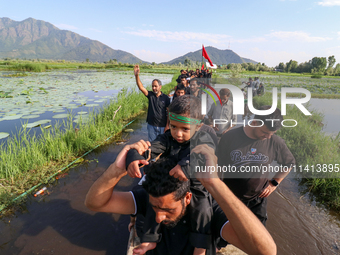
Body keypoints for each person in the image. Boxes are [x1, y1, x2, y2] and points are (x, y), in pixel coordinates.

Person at [85, 141, 277, 255]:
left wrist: (214, 184)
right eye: (155, 208)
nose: (158, 217)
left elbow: (265, 251)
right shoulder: (147, 197)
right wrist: (117, 170)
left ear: (187, 198)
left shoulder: (211, 213)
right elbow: (94, 203)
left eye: (168, 210)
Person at [125, 95, 217, 255]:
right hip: (173, 186)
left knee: (203, 210)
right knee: (153, 200)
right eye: (174, 127)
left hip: (195, 187)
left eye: (185, 129)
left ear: (199, 125)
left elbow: (201, 156)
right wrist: (136, 157)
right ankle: (149, 240)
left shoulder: (204, 138)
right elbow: (151, 148)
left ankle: (200, 249)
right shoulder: (167, 138)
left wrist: (185, 167)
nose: (178, 133)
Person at [216, 106, 296, 225]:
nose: (267, 137)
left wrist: (274, 183)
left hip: (257, 200)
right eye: (264, 132)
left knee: (257, 237)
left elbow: (289, 163)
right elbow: (218, 165)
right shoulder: (230, 137)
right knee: (224, 230)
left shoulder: (275, 142)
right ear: (254, 123)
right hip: (230, 196)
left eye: (271, 133)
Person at [134, 64, 170, 142]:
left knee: (162, 143)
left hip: (162, 126)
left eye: (155, 86)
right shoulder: (150, 95)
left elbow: (169, 112)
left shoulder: (166, 98)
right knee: (152, 144)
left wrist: (167, 125)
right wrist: (137, 76)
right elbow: (141, 87)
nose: (153, 88)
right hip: (151, 125)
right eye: (152, 86)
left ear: (160, 87)